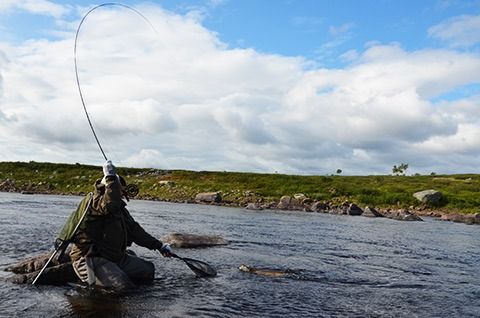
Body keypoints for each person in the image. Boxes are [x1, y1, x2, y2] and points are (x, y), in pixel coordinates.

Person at [68, 160, 173, 291]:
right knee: (122, 287)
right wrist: (111, 176)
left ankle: (109, 278)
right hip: (91, 259)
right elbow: (109, 204)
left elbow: (136, 232)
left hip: (116, 258)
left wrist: (160, 246)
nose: (123, 194)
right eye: (120, 190)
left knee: (148, 270)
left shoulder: (120, 210)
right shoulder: (94, 201)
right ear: (110, 188)